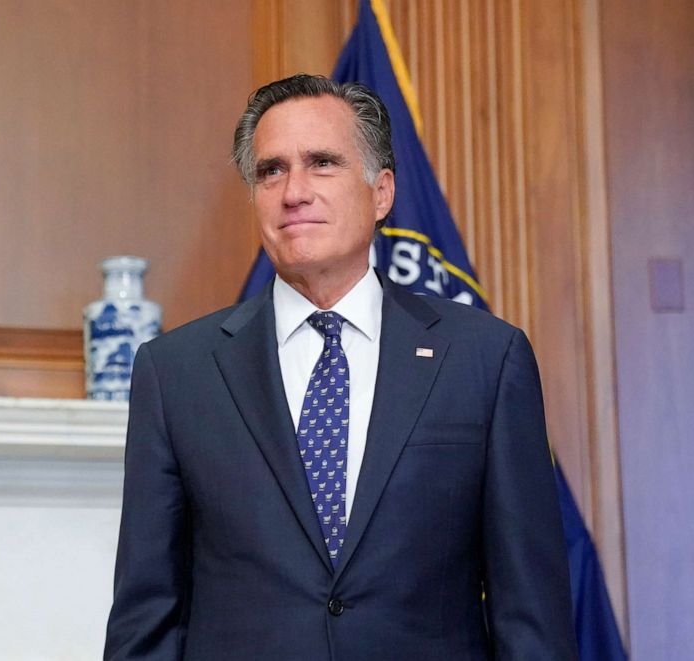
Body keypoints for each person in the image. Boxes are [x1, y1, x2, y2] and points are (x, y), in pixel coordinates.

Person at [104, 74, 576, 660]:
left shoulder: (485, 359)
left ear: (381, 193)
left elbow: (530, 613)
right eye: (271, 171)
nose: (293, 191)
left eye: (321, 163)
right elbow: (147, 615)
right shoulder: (176, 373)